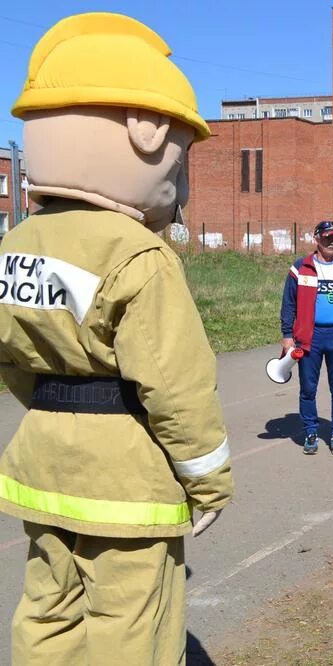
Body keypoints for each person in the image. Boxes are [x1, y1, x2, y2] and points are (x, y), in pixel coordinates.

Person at [0, 13, 233, 663]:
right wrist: (209, 481)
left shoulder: (13, 246)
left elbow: (11, 364)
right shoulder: (138, 254)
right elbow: (177, 384)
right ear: (146, 134)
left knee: (48, 609)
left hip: (42, 466)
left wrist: (55, 409)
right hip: (128, 479)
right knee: (133, 623)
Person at [281, 220, 333, 455]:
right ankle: (310, 431)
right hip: (310, 337)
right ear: (316, 239)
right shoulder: (300, 268)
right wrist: (287, 334)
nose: (332, 242)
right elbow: (288, 303)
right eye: (327, 237)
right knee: (308, 388)